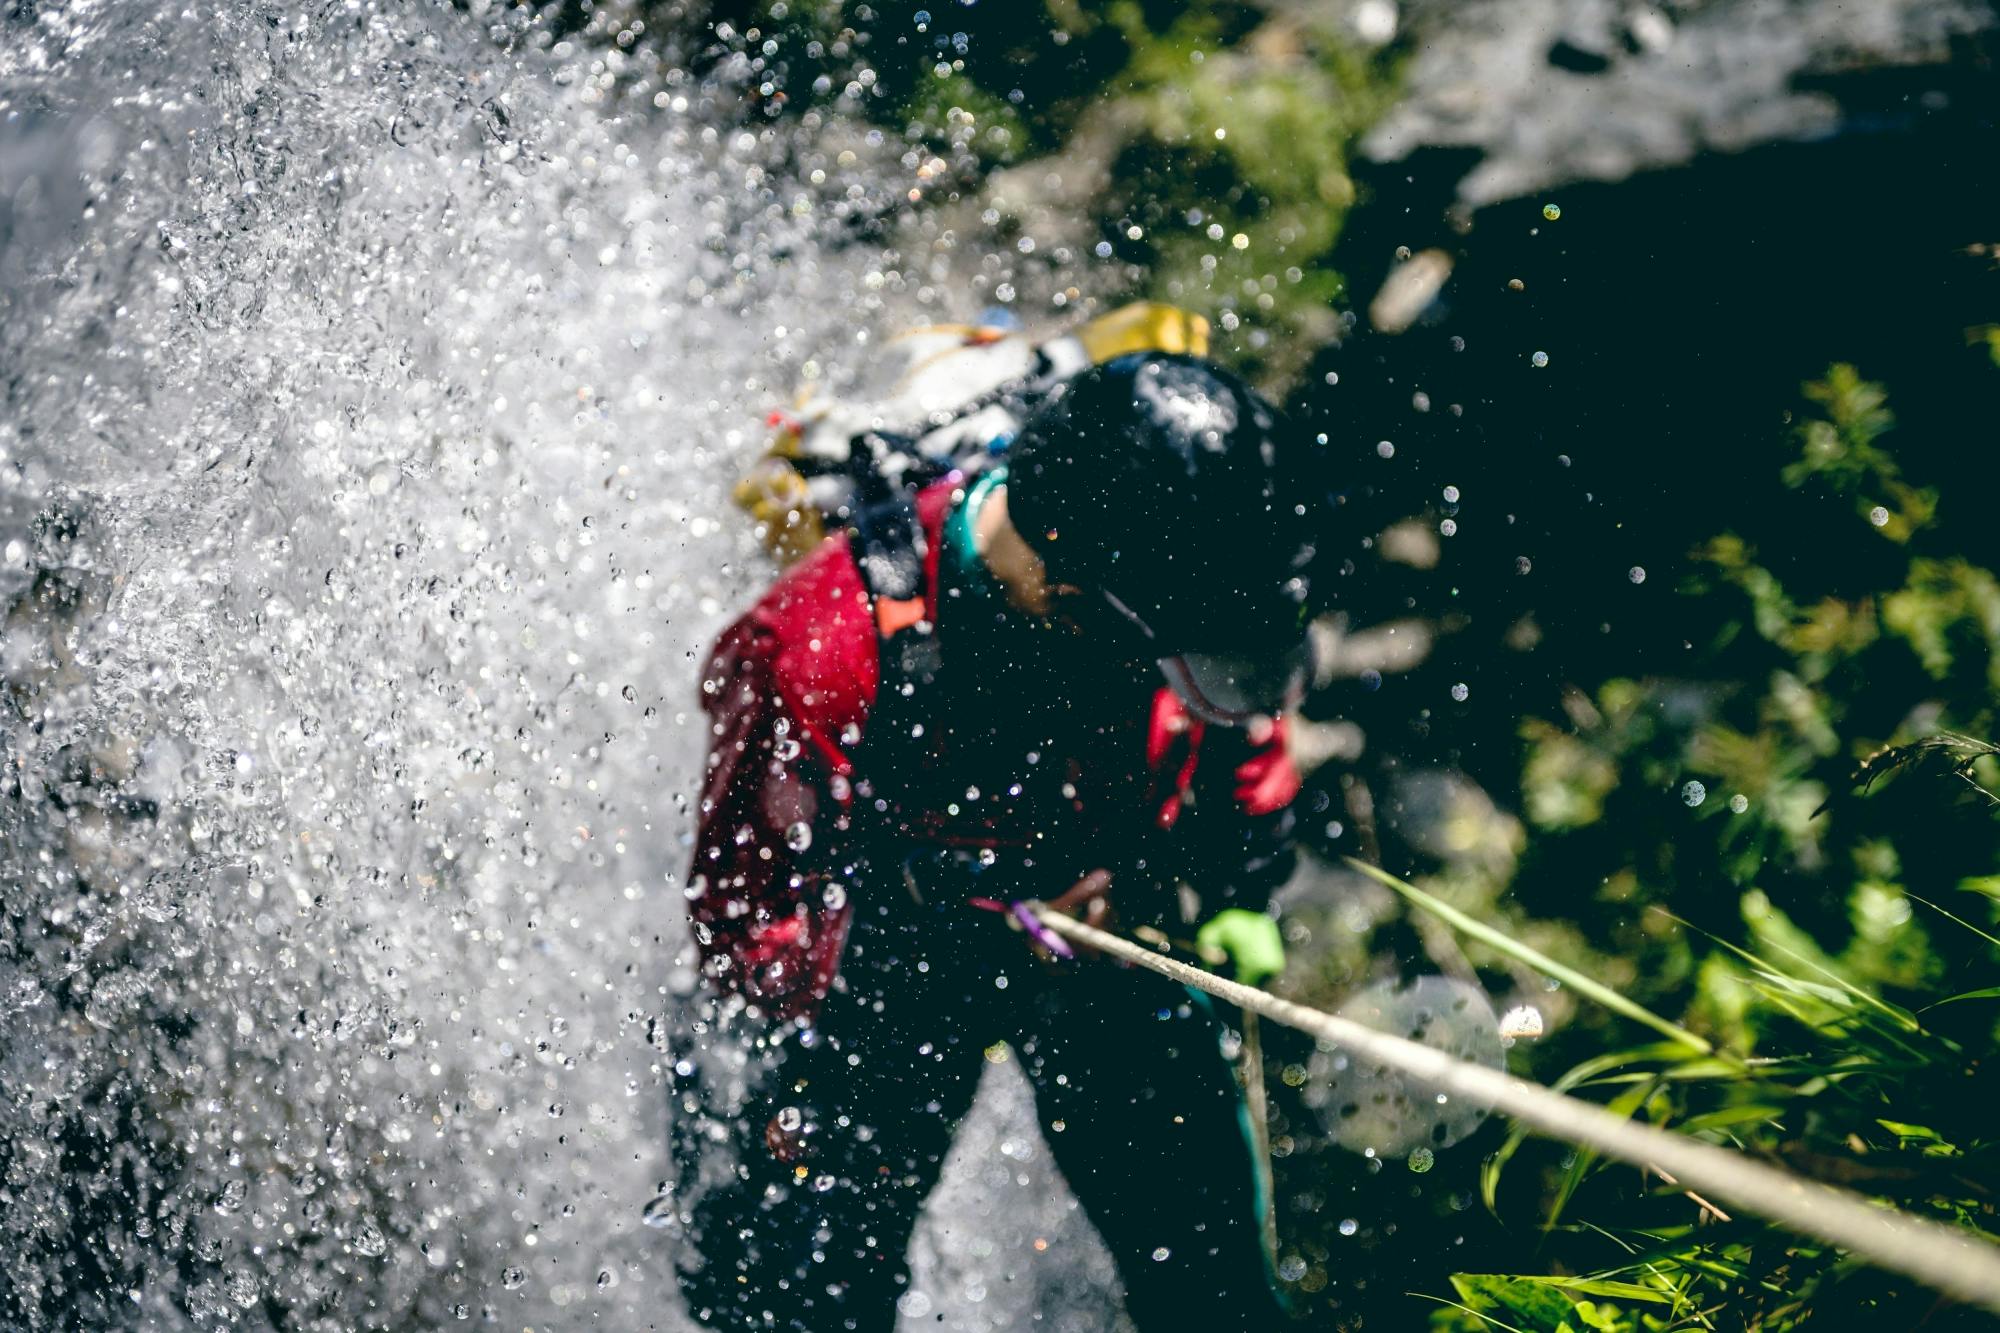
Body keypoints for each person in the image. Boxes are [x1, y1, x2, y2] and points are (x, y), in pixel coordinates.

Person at [671, 352, 1326, 1332]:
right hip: (886, 982)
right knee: (803, 1299)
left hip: (1108, 938)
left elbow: (1238, 722)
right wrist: (952, 932)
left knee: (1212, 1290)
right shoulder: (816, 652)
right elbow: (743, 918)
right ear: (1057, 564)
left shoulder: (1170, 584)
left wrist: (1238, 884)